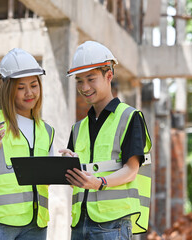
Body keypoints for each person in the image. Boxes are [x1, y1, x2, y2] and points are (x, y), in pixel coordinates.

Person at [60, 41, 152, 240]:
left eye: (91, 79)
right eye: (79, 81)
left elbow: (131, 170)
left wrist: (99, 182)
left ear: (108, 75)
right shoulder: (78, 128)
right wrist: (68, 165)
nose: (84, 87)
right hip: (79, 222)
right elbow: (77, 180)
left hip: (113, 224)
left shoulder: (129, 117)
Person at [0, 48, 54, 240]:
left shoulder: (46, 130)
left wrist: (64, 165)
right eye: (21, 87)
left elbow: (46, 180)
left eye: (34, 85)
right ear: (9, 88)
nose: (29, 93)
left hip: (35, 225)